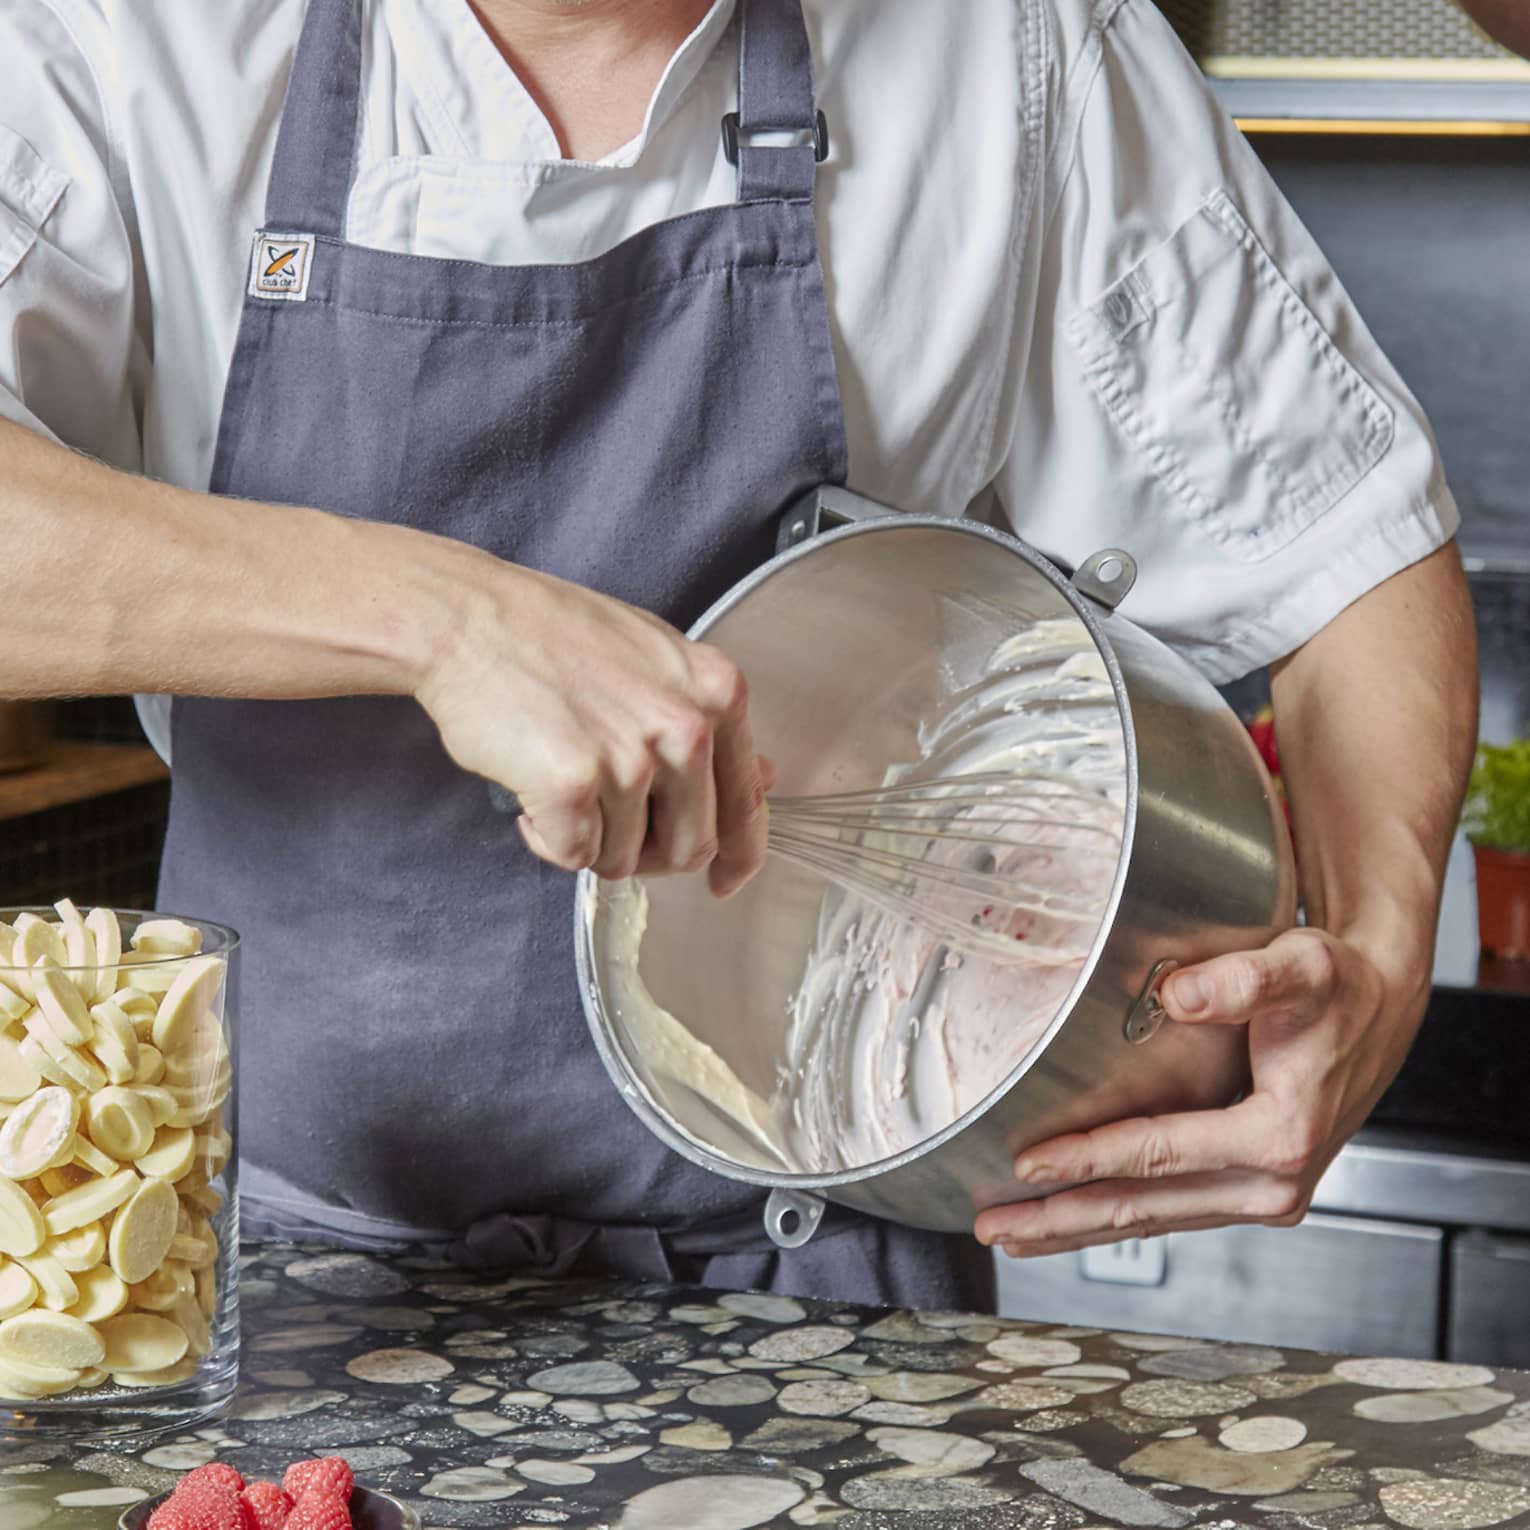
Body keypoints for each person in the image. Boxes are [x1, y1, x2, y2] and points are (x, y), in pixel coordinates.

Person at [0, 0, 1476, 1311]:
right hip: (265, 1284)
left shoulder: (1012, 50)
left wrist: (1381, 948)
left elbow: (1342, 546)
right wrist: (441, 618)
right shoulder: (131, 39)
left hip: (817, 1285)